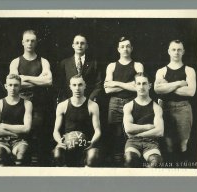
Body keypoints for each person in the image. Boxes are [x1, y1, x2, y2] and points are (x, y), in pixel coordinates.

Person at [9, 29, 53, 166]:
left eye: (32, 40)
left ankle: (35, 168)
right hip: (20, 103)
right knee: (21, 137)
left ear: (36, 42)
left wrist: (25, 78)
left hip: (39, 104)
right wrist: (38, 80)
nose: (30, 43)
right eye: (27, 40)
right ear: (22, 42)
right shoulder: (15, 62)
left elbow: (48, 81)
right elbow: (15, 83)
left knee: (37, 135)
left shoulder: (43, 61)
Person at [154, 40, 196, 163]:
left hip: (184, 108)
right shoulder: (161, 71)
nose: (176, 52)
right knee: (169, 143)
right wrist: (179, 83)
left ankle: (182, 171)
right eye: (173, 49)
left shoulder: (189, 70)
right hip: (165, 108)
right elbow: (157, 89)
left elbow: (191, 92)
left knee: (183, 143)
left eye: (179, 49)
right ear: (168, 51)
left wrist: (167, 87)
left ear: (183, 51)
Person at [104, 36, 144, 167]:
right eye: (122, 46)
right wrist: (129, 85)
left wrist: (115, 83)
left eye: (128, 46)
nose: (125, 49)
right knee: (115, 134)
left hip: (132, 102)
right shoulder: (112, 66)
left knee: (130, 132)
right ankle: (117, 163)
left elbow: (138, 87)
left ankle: (130, 160)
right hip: (114, 103)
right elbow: (107, 90)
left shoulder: (138, 65)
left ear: (132, 48)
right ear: (118, 49)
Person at [53, 75, 101, 167]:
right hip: (67, 144)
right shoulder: (62, 105)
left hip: (86, 144)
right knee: (57, 154)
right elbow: (55, 131)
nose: (77, 88)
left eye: (80, 85)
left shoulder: (93, 105)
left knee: (93, 157)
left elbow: (98, 130)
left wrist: (92, 142)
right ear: (70, 87)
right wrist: (60, 142)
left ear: (85, 86)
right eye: (74, 85)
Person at [0, 74, 32, 166]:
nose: (13, 88)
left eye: (16, 85)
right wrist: (12, 133)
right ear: (6, 86)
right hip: (1, 140)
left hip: (19, 140)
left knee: (21, 155)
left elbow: (26, 129)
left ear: (20, 87)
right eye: (10, 85)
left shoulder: (27, 103)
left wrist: (4, 126)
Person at [123, 73, 164, 168]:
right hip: (133, 142)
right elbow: (128, 129)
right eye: (139, 83)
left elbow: (160, 131)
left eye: (144, 83)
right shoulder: (128, 106)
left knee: (156, 162)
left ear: (150, 85)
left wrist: (138, 134)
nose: (141, 87)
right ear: (135, 86)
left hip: (151, 142)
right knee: (130, 159)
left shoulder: (156, 107)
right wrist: (149, 127)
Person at [56, 34, 102, 102]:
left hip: (88, 101)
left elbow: (98, 84)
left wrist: (90, 100)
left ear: (86, 46)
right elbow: (60, 84)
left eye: (82, 43)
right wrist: (66, 101)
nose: (79, 45)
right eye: (77, 43)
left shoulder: (93, 63)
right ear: (73, 46)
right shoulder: (65, 63)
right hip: (69, 101)